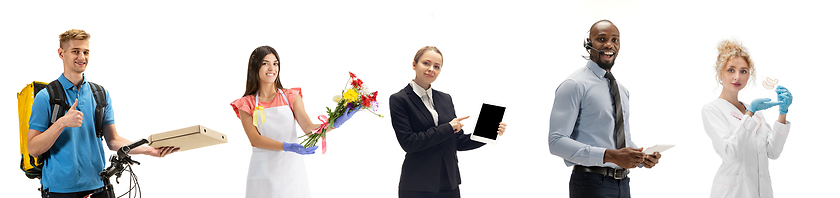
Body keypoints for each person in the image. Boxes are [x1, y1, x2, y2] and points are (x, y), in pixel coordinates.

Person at [27, 29, 178, 198]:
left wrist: (150, 150)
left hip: (98, 186)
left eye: (86, 52)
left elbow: (113, 140)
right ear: (61, 53)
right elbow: (33, 149)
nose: (82, 57)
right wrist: (62, 122)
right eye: (75, 51)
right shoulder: (46, 97)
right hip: (59, 190)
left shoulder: (100, 94)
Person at [547, 20, 662, 198]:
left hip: (623, 184)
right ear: (589, 43)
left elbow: (618, 140)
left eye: (615, 40)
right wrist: (610, 155)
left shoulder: (622, 90)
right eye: (601, 39)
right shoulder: (574, 85)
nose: (609, 44)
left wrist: (640, 157)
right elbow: (556, 142)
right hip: (590, 184)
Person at [390, 46, 507, 198]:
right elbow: (409, 143)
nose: (431, 69)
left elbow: (456, 141)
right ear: (414, 65)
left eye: (437, 66)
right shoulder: (399, 99)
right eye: (426, 63)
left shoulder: (445, 98)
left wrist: (488, 133)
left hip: (449, 184)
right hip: (418, 185)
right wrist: (448, 127)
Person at [230, 45, 331, 198]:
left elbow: (309, 129)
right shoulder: (246, 104)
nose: (272, 68)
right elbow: (255, 139)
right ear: (255, 67)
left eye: (275, 63)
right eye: (265, 63)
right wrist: (287, 146)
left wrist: (335, 122)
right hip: (263, 172)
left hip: (291, 170)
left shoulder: (290, 96)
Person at [701, 39, 792, 198]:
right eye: (731, 70)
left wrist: (782, 112)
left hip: (762, 191)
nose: (737, 76)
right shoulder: (712, 109)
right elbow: (731, 151)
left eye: (743, 71)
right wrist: (749, 113)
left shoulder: (755, 111)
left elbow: (773, 151)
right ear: (720, 73)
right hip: (732, 192)